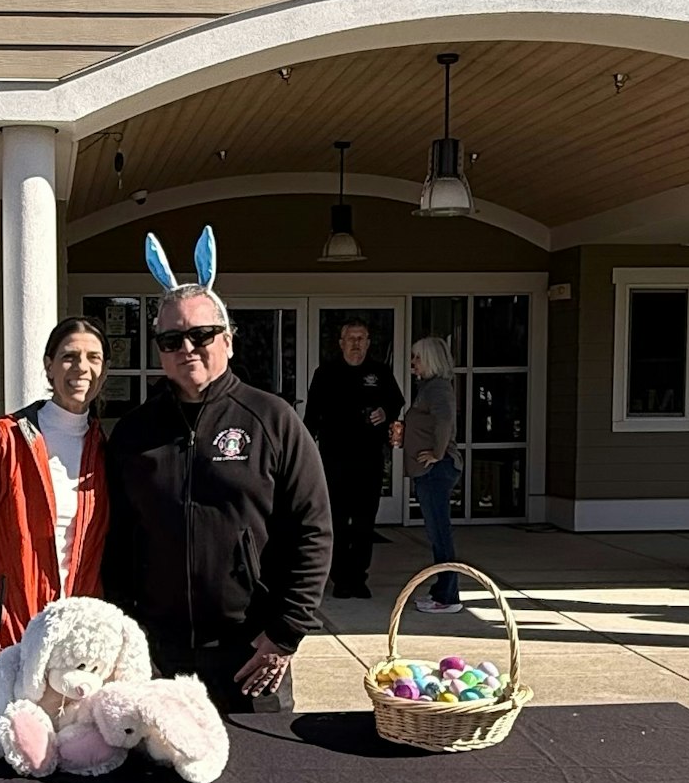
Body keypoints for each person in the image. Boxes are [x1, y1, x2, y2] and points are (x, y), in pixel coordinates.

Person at [104, 276, 333, 714]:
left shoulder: (272, 419)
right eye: (171, 339)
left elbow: (314, 531)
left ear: (227, 340)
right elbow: (115, 540)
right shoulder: (135, 432)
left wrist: (285, 632)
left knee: (262, 777)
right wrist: (124, 628)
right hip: (158, 654)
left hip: (250, 650)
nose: (186, 347)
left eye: (200, 334)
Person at [0, 317, 110, 686]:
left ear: (104, 369)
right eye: (69, 357)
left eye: (93, 357)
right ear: (49, 366)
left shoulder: (104, 449)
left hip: (75, 647)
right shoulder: (5, 440)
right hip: (8, 643)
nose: (81, 368)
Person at [303, 318, 405, 600]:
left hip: (369, 461)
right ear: (341, 342)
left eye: (361, 338)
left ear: (369, 342)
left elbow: (396, 402)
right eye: (351, 338)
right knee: (335, 521)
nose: (356, 344)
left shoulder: (379, 372)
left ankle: (359, 578)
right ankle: (339, 578)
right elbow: (311, 416)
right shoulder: (326, 373)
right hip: (334, 460)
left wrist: (386, 412)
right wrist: (303, 452)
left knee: (363, 522)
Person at [400, 336, 461, 614]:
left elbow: (445, 420)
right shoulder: (428, 388)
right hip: (429, 470)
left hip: (437, 470)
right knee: (436, 533)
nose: (413, 363)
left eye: (417, 358)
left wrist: (437, 453)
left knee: (440, 534)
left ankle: (448, 597)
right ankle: (441, 590)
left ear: (431, 360)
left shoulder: (437, 388)